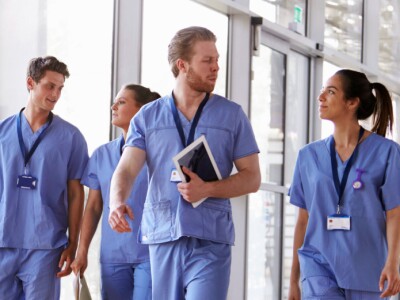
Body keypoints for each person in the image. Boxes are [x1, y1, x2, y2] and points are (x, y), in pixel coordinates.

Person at [108, 26, 261, 300]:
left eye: (217, 60)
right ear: (182, 65)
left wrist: (208, 189)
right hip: (163, 235)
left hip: (210, 239)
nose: (216, 67)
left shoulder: (232, 116)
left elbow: (252, 177)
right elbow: (127, 168)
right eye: (207, 61)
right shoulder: (147, 117)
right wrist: (116, 201)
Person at [288, 69, 400, 300]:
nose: (321, 98)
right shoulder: (308, 156)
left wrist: (392, 262)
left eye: (330, 92)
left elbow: (394, 214)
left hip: (369, 269)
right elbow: (303, 220)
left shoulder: (387, 152)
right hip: (318, 265)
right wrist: (293, 282)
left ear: (352, 102)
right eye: (321, 92)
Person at [0, 56, 88, 299]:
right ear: (31, 83)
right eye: (50, 86)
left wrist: (74, 242)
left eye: (60, 88)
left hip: (45, 246)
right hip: (3, 240)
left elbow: (75, 193)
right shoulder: (2, 133)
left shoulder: (71, 137)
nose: (56, 94)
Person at [71, 84, 160, 299]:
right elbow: (92, 207)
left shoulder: (158, 152)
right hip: (112, 257)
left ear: (142, 110)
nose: (113, 106)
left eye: (121, 102)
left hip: (150, 253)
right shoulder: (102, 155)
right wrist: (81, 251)